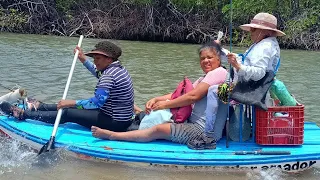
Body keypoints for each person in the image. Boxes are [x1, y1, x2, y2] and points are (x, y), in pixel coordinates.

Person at [91, 41, 228, 149]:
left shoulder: (219, 72)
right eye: (202, 58)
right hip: (193, 123)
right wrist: (157, 99)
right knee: (155, 117)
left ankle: (113, 136)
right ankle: (136, 123)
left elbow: (193, 97)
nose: (205, 61)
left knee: (158, 129)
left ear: (219, 59)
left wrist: (165, 104)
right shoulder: (205, 77)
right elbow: (183, 93)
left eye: (210, 57)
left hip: (204, 133)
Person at [0, 40, 135, 132]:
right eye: (94, 58)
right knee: (67, 104)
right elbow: (98, 73)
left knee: (68, 112)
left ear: (109, 59)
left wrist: (72, 102)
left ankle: (24, 114)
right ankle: (39, 107)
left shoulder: (109, 76)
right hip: (117, 117)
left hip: (115, 122)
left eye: (97, 59)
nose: (95, 62)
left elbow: (96, 103)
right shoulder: (117, 69)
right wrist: (83, 59)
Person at [203, 12, 285, 144]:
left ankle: (209, 132)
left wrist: (238, 66)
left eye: (253, 29)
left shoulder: (265, 47)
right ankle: (218, 130)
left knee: (213, 91)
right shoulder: (263, 44)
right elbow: (242, 59)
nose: (250, 32)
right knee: (219, 92)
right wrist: (220, 50)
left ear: (263, 31)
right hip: (250, 86)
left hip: (250, 89)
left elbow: (259, 73)